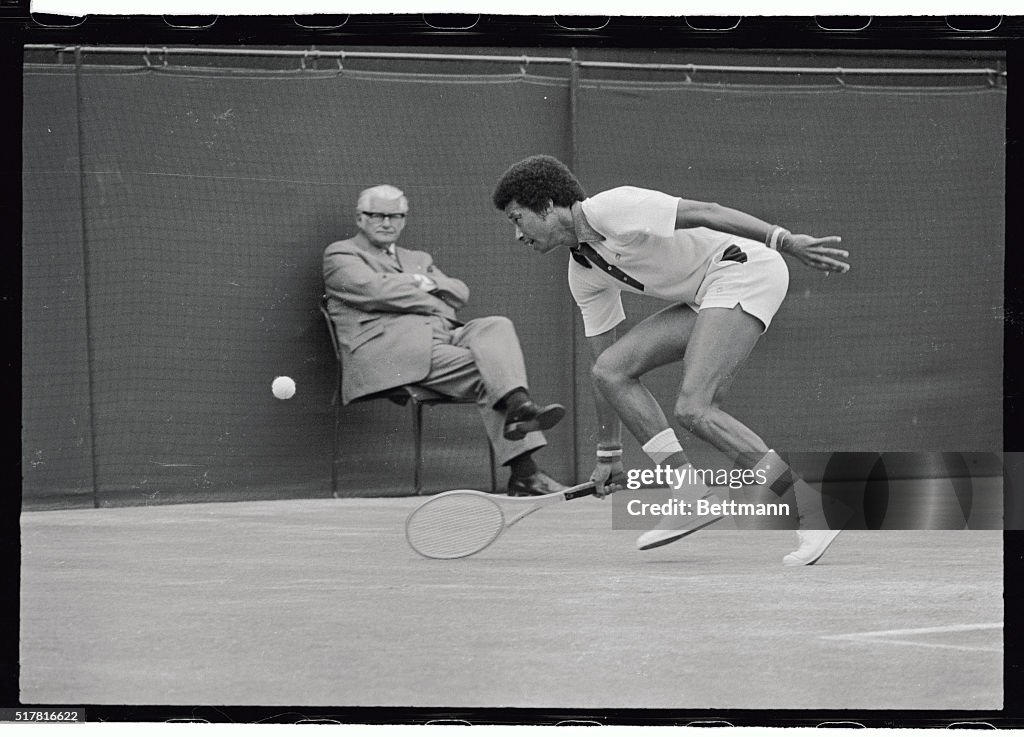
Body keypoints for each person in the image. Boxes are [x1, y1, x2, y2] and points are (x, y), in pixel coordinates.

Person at [492, 155, 852, 565]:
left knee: (695, 408)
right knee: (612, 369)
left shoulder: (614, 207)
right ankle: (688, 492)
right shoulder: (584, 274)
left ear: (546, 206)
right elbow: (605, 371)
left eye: (517, 218)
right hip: (705, 293)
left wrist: (783, 240)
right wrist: (608, 454)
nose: (517, 234)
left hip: (746, 269)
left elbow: (709, 212)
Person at [323, 184, 568, 497]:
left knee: (496, 325)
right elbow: (374, 291)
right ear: (360, 218)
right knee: (487, 372)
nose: (387, 223)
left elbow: (459, 292)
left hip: (441, 339)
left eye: (396, 216)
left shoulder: (417, 257)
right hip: (389, 353)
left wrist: (411, 287)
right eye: (378, 215)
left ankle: (520, 406)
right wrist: (426, 288)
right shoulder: (341, 254)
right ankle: (525, 469)